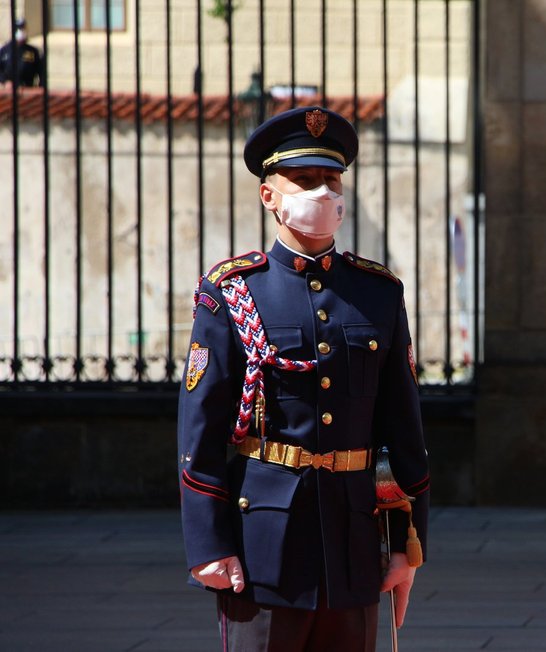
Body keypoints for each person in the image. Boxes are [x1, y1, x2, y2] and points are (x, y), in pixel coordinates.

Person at [177, 105, 430, 651]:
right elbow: (200, 432)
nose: (321, 191)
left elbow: (403, 431)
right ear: (269, 195)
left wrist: (405, 544)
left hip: (355, 544)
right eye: (305, 179)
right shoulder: (232, 293)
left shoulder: (378, 293)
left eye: (330, 179)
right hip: (263, 545)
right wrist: (207, 544)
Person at [0, 18, 44, 88]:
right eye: (19, 29)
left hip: (27, 90)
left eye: (23, 29)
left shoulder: (33, 51)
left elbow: (41, 73)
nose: (21, 32)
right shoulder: (4, 51)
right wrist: (5, 81)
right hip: (9, 91)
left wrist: (40, 88)